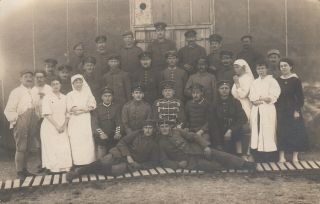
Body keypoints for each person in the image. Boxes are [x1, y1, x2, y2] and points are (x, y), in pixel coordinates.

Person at [66, 119, 159, 181]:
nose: (147, 130)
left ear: (154, 129)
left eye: (150, 128)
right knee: (105, 160)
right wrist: (128, 155)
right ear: (143, 128)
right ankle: (79, 171)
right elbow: (122, 142)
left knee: (115, 171)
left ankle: (86, 170)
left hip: (131, 163)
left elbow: (154, 162)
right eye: (146, 128)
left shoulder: (155, 143)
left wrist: (139, 165)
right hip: (121, 153)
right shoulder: (137, 133)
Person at [158, 119, 255, 172]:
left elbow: (195, 136)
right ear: (159, 129)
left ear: (170, 127)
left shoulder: (177, 131)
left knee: (221, 155)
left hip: (199, 150)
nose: (164, 129)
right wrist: (177, 164)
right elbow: (164, 160)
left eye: (166, 126)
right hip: (190, 161)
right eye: (162, 127)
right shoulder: (160, 143)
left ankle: (246, 164)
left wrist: (205, 146)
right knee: (213, 166)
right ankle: (235, 166)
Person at [4, 70, 38, 179]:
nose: (29, 78)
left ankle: (25, 169)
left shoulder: (34, 91)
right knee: (21, 146)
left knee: (28, 146)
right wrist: (17, 119)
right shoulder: (16, 92)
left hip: (32, 119)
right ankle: (19, 172)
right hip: (21, 119)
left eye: (30, 77)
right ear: (21, 79)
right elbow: (9, 110)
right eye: (25, 76)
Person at [276, 58, 308, 162]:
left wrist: (297, 111)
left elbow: (300, 97)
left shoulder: (295, 79)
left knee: (295, 132)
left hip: (292, 109)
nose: (283, 68)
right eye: (281, 66)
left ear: (290, 66)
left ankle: (295, 156)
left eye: (285, 65)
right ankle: (281, 156)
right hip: (281, 109)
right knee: (281, 132)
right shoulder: (278, 80)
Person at [249, 60, 281, 162]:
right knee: (257, 130)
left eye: (263, 68)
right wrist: (259, 99)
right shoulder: (255, 82)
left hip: (268, 110)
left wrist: (259, 98)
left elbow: (272, 97)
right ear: (256, 70)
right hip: (257, 110)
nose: (261, 70)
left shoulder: (272, 81)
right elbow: (252, 97)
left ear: (267, 69)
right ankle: (258, 156)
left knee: (268, 131)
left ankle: (270, 156)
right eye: (258, 68)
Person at [40, 78, 73, 173]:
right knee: (53, 146)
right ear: (51, 86)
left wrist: (63, 125)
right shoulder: (47, 97)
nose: (55, 85)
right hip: (50, 125)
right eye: (53, 84)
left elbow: (68, 112)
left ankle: (65, 167)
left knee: (63, 145)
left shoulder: (65, 97)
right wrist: (57, 126)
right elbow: (46, 114)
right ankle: (54, 168)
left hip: (63, 125)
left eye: (57, 83)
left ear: (60, 85)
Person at [210, 80, 247, 155]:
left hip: (232, 130)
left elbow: (243, 118)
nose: (224, 90)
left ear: (229, 89)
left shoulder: (235, 102)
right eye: (222, 88)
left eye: (226, 88)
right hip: (218, 131)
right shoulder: (214, 104)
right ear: (218, 90)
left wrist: (231, 130)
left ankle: (240, 154)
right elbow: (212, 121)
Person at [67, 74, 96, 166]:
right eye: (76, 82)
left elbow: (92, 105)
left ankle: (89, 162)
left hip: (85, 119)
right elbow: (71, 108)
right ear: (73, 84)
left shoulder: (87, 93)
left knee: (87, 139)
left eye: (80, 82)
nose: (78, 84)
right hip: (75, 121)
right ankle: (78, 163)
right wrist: (84, 108)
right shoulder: (70, 94)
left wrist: (82, 110)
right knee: (76, 139)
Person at [92, 87, 122, 159]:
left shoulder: (116, 107)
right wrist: (101, 134)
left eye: (109, 96)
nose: (107, 98)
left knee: (114, 157)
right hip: (101, 137)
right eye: (105, 96)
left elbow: (119, 121)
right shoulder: (97, 109)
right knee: (101, 158)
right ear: (102, 97)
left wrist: (118, 132)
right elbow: (94, 124)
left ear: (112, 97)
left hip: (113, 136)